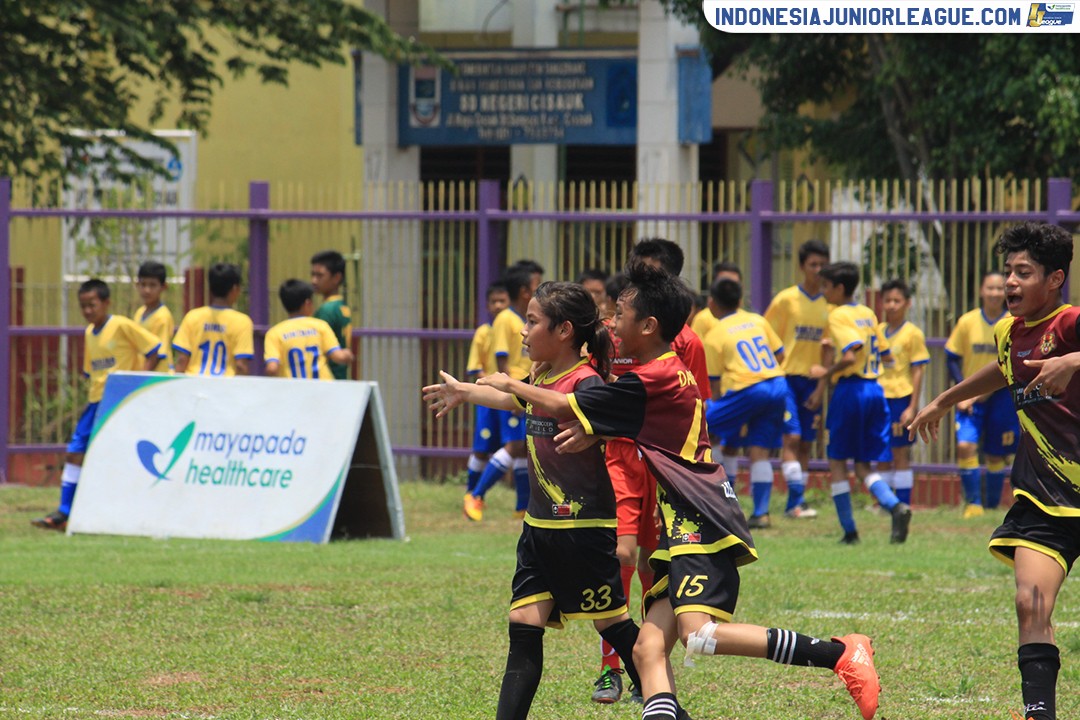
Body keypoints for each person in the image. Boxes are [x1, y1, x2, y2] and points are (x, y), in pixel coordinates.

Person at [475, 262, 881, 720]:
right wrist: (596, 429)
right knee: (648, 651)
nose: (611, 321)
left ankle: (840, 654)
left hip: (698, 514)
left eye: (621, 312)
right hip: (676, 518)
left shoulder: (656, 376)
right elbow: (604, 414)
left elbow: (571, 403)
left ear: (648, 325)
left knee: (700, 636)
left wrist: (511, 382)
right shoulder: (651, 374)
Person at [423, 281, 644, 720]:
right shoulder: (541, 375)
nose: (523, 332)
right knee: (524, 624)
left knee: (613, 624)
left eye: (531, 322)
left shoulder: (586, 380)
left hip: (582, 530)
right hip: (540, 528)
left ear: (564, 330)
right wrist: (467, 392)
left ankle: (661, 694)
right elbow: (512, 398)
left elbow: (564, 405)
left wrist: (513, 385)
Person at [908, 222, 1076, 720]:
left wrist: (1072, 360)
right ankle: (1039, 713)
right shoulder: (1008, 331)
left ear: (1055, 279)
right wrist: (942, 399)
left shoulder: (1070, 323)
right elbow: (1006, 369)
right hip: (1045, 493)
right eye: (1008, 272)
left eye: (1024, 272)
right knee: (1031, 602)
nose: (1011, 282)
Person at [32, 279, 163, 530]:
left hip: (120, 402)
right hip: (96, 402)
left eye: (92, 305)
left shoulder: (122, 325)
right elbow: (90, 372)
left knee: (118, 457)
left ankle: (127, 513)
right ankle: (64, 511)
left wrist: (136, 383)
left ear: (106, 303)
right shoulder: (89, 333)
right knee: (75, 452)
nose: (88, 311)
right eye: (83, 306)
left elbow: (155, 349)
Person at [812, 262, 912, 545]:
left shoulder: (837, 316)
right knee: (863, 465)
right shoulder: (868, 313)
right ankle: (895, 505)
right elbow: (888, 356)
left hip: (851, 391)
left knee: (837, 461)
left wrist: (825, 372)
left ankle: (850, 531)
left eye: (826, 286)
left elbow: (849, 355)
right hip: (875, 391)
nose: (823, 292)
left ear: (839, 288)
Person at [703, 278, 787, 529]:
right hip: (778, 385)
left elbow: (714, 386)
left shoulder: (714, 335)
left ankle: (723, 507)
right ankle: (761, 513)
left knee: (704, 427)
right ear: (740, 301)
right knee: (759, 451)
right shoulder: (758, 320)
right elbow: (780, 354)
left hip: (749, 389)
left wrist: (721, 416)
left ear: (711, 304)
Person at [464, 260, 544, 521]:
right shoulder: (506, 320)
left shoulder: (523, 319)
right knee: (513, 445)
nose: (540, 288)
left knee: (522, 447)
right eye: (537, 284)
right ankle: (475, 494)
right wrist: (514, 395)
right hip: (511, 393)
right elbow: (502, 360)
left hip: (522, 390)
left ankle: (522, 506)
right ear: (524, 291)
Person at [764, 240, 832, 520]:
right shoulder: (786, 299)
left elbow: (828, 349)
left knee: (806, 442)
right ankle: (793, 502)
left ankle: (798, 501)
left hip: (812, 382)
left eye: (822, 265)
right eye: (813, 264)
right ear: (802, 266)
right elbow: (768, 338)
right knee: (791, 437)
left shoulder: (830, 304)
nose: (817, 270)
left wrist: (820, 386)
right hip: (787, 379)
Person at [945, 270, 1018, 517]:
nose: (996, 293)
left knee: (996, 453)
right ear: (981, 291)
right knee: (965, 446)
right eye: (991, 288)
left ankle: (992, 505)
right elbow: (951, 357)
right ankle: (973, 504)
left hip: (1002, 396)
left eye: (1000, 288)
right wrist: (963, 389)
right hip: (970, 398)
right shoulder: (967, 321)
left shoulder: (1013, 321)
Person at [876, 279, 930, 505]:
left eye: (897, 300)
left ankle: (903, 502)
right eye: (887, 300)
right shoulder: (877, 331)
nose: (891, 305)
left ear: (907, 303)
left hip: (900, 398)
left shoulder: (912, 333)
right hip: (878, 398)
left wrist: (912, 406)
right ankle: (883, 502)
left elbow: (918, 370)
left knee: (900, 453)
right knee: (880, 452)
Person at [464, 283, 511, 498]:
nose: (499, 305)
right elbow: (475, 368)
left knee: (517, 445)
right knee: (482, 448)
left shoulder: (515, 328)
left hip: (511, 395)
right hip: (488, 398)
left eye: (503, 301)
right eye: (494, 302)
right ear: (487, 305)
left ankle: (521, 505)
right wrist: (494, 383)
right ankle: (472, 494)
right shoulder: (483, 332)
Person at [172, 263, 254, 377]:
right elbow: (241, 366)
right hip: (224, 387)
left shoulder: (193, 316)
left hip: (194, 384)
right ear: (235, 289)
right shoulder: (242, 322)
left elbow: (182, 359)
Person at [263, 279, 354, 379]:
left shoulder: (274, 333)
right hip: (322, 389)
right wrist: (348, 354)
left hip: (293, 391)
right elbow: (338, 357)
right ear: (307, 303)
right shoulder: (320, 326)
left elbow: (272, 368)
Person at [311, 250, 353, 380]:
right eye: (312, 275)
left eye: (320, 276)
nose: (314, 280)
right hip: (341, 376)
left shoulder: (326, 310)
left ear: (336, 278)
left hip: (329, 378)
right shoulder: (342, 306)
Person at [133, 260, 174, 372]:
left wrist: (142, 378)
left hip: (157, 376)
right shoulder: (139, 313)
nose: (147, 290)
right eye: (143, 284)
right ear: (137, 285)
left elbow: (158, 354)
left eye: (152, 285)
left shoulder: (162, 316)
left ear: (163, 287)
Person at [690, 261, 743, 341]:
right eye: (724, 284)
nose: (729, 288)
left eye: (734, 284)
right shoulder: (703, 319)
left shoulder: (753, 320)